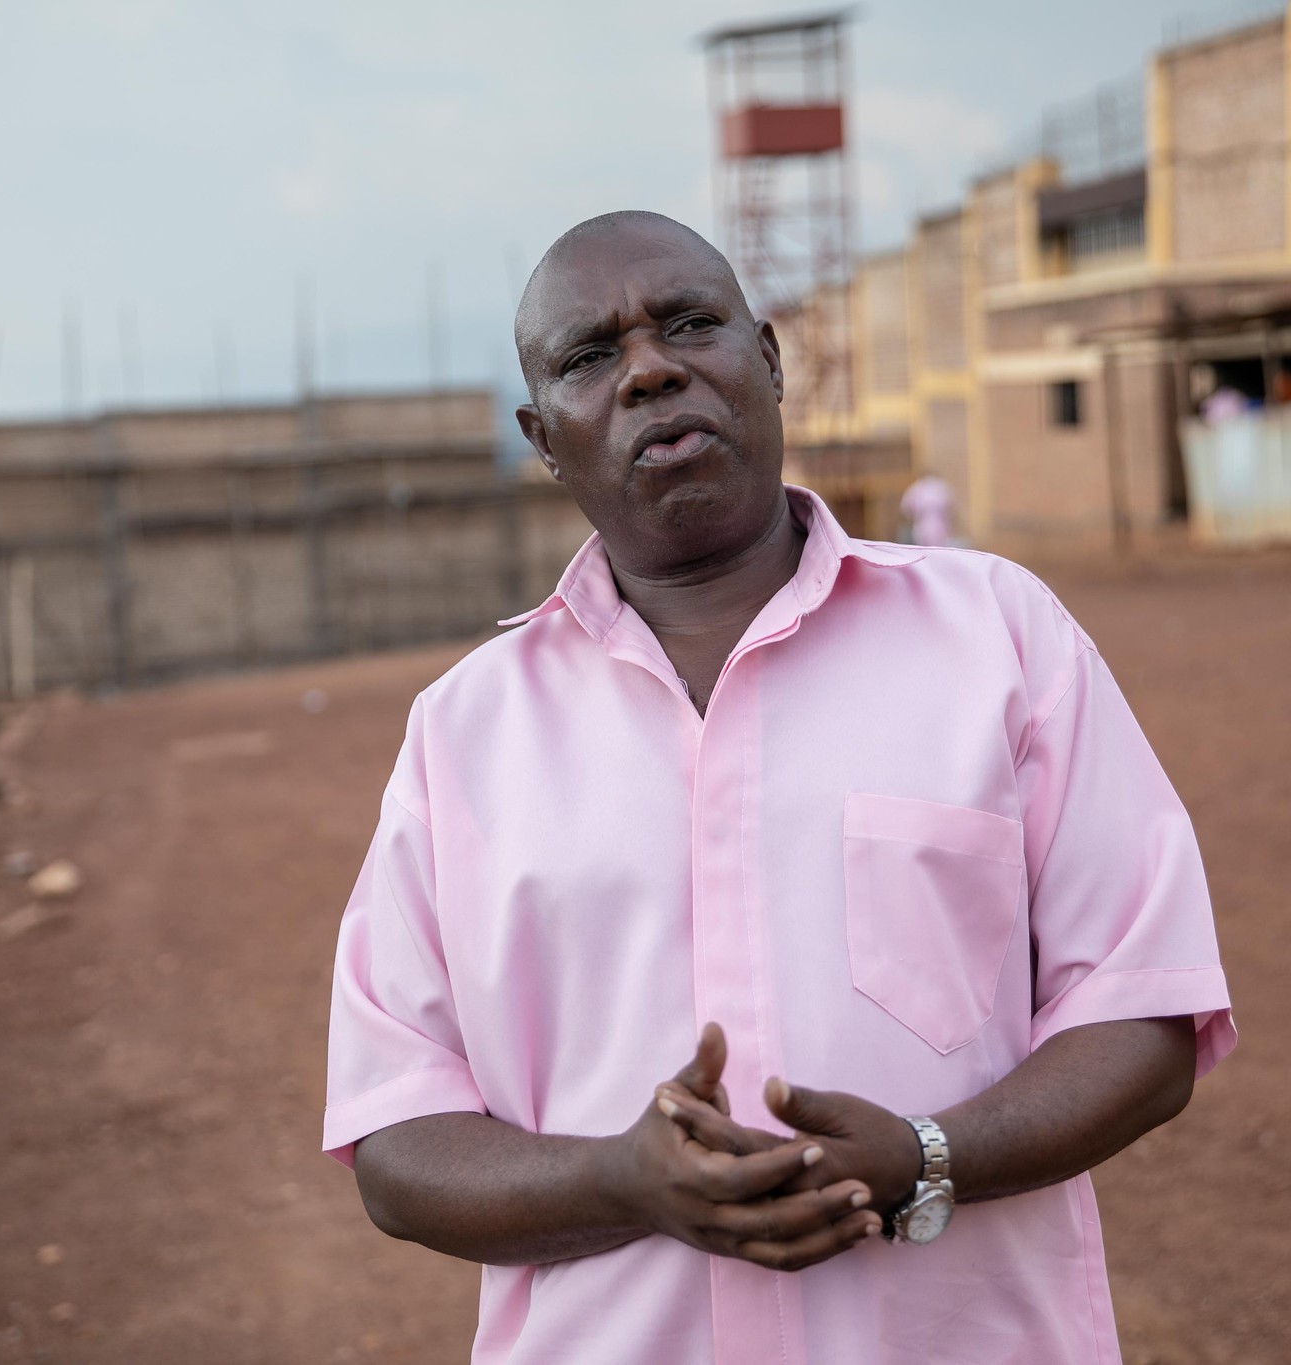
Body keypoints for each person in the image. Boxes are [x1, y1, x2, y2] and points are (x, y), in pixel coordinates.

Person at [324, 210, 1234, 1364]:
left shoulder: (998, 636)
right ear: (542, 438)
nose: (651, 369)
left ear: (767, 359)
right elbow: (397, 1141)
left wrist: (924, 1157)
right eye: (590, 357)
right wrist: (623, 1182)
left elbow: (1144, 1010)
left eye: (689, 325)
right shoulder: (462, 734)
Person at [898, 470, 957, 547]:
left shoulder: (938, 486)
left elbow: (906, 508)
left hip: (937, 524)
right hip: (926, 523)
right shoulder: (918, 487)